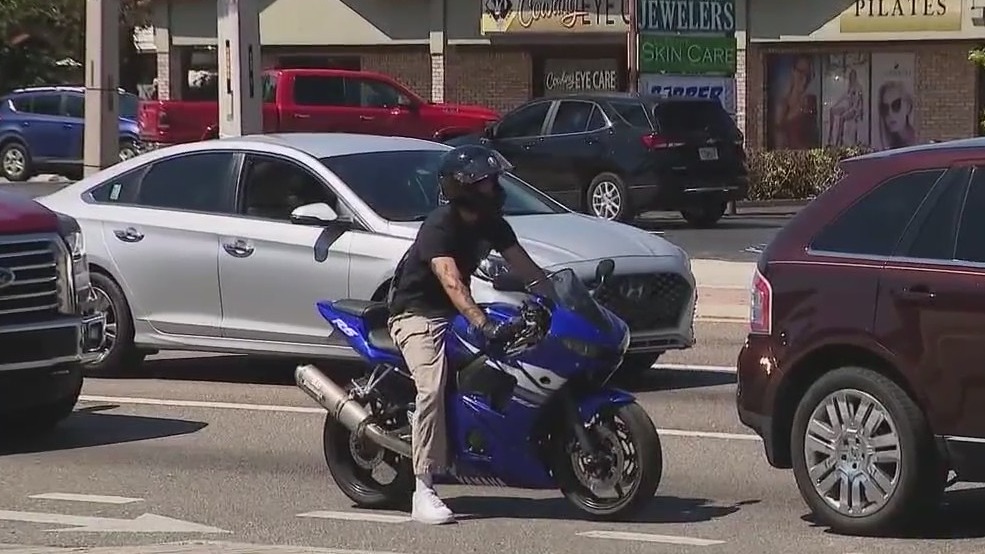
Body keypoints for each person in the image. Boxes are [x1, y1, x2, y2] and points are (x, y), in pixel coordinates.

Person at [386, 144, 549, 525]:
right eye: (486, 181)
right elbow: (450, 279)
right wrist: (481, 322)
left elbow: (526, 267)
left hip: (457, 312)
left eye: (494, 180)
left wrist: (556, 296)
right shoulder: (440, 224)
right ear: (463, 187)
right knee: (431, 386)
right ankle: (424, 489)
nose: (495, 187)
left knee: (515, 354)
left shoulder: (492, 221)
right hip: (418, 315)